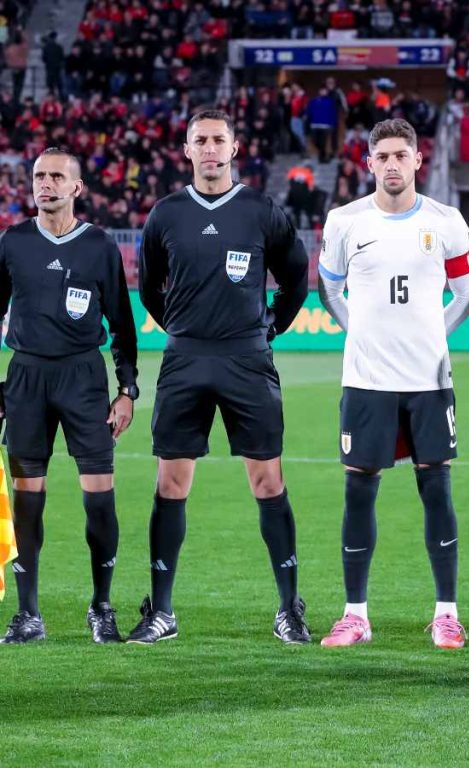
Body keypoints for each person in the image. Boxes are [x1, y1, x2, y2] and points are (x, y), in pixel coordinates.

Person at [131, 110, 311, 645]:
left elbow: (296, 276)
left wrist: (268, 326)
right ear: (187, 150)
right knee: (171, 481)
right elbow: (150, 288)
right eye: (200, 141)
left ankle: (289, 608)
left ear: (235, 148)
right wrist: (185, 331)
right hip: (185, 360)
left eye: (219, 140)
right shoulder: (165, 215)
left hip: (247, 360)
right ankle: (161, 612)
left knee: (268, 480)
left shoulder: (261, 209)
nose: (210, 149)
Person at [317, 118, 469, 649]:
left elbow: (464, 291)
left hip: (429, 381)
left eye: (400, 155)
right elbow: (331, 292)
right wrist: (361, 333)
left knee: (437, 489)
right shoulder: (344, 222)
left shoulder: (447, 221)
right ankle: (355, 614)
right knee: (358, 491)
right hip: (366, 381)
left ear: (417, 160)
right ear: (369, 164)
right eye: (381, 156)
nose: (391, 164)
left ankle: (447, 614)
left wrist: (433, 336)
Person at [0, 147, 138, 644]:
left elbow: (122, 324)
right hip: (27, 379)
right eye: (39, 175)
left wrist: (126, 391)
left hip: (83, 379)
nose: (46, 183)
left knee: (99, 497)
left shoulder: (99, 246)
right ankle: (28, 614)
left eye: (57, 176)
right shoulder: (12, 242)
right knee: (27, 498)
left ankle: (101, 606)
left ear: (77, 187)